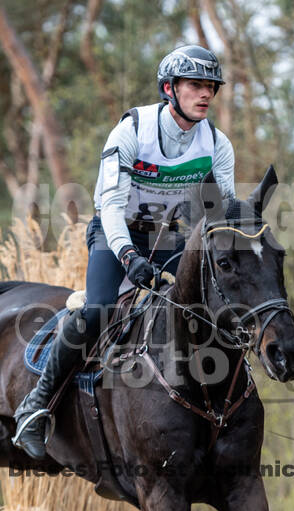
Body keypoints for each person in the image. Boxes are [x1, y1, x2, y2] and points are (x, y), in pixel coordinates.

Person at [13, 44, 235, 460]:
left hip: (169, 235)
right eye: (195, 85)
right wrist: (130, 258)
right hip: (115, 231)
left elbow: (220, 217)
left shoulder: (217, 144)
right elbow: (112, 207)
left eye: (211, 87)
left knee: (211, 302)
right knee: (97, 308)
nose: (205, 94)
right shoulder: (132, 131)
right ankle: (37, 405)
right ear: (169, 89)